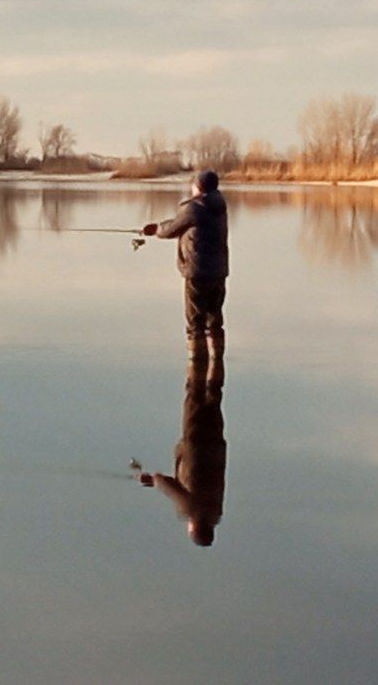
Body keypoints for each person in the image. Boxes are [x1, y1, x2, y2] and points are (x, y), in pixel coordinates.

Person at [136, 352, 227, 547]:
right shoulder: (191, 510)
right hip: (195, 443)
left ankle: (216, 348)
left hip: (216, 444)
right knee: (195, 391)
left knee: (214, 393)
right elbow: (165, 483)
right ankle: (197, 347)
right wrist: (152, 479)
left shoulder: (216, 509)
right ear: (194, 528)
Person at [142, 168, 229, 353]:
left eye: (194, 185)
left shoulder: (194, 207)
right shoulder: (220, 206)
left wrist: (156, 229)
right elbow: (185, 224)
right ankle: (217, 364)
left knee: (195, 323)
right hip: (219, 271)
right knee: (214, 320)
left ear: (199, 187)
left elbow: (171, 228)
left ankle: (196, 366)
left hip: (197, 272)